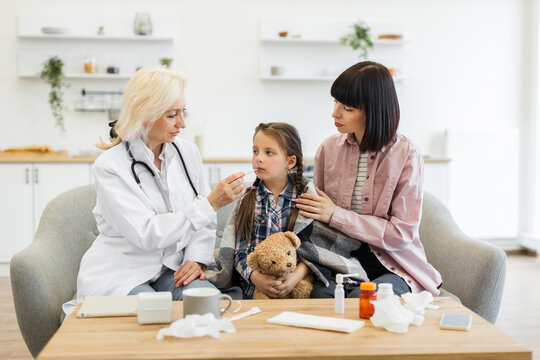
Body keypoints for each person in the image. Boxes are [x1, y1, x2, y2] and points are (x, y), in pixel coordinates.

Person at [62, 67, 245, 318]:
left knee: (210, 305)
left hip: (174, 268)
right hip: (124, 272)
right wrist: (210, 203)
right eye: (172, 115)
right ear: (145, 115)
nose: (182, 123)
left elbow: (203, 222)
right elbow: (147, 233)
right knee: (155, 314)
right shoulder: (110, 166)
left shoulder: (187, 153)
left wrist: (197, 258)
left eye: (183, 112)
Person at [295, 61, 443, 298]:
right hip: (339, 259)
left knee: (366, 301)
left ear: (374, 110)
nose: (335, 113)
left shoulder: (407, 155)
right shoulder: (328, 149)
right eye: (335, 102)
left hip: (390, 264)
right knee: (317, 298)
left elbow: (401, 234)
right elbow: (317, 217)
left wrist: (336, 215)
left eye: (348, 108)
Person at [206, 123, 318, 299]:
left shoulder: (306, 200)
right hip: (254, 291)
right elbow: (240, 251)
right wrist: (255, 277)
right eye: (255, 151)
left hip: (294, 288)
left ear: (290, 162)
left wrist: (294, 278)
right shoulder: (247, 200)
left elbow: (314, 250)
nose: (259, 158)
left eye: (269, 153)